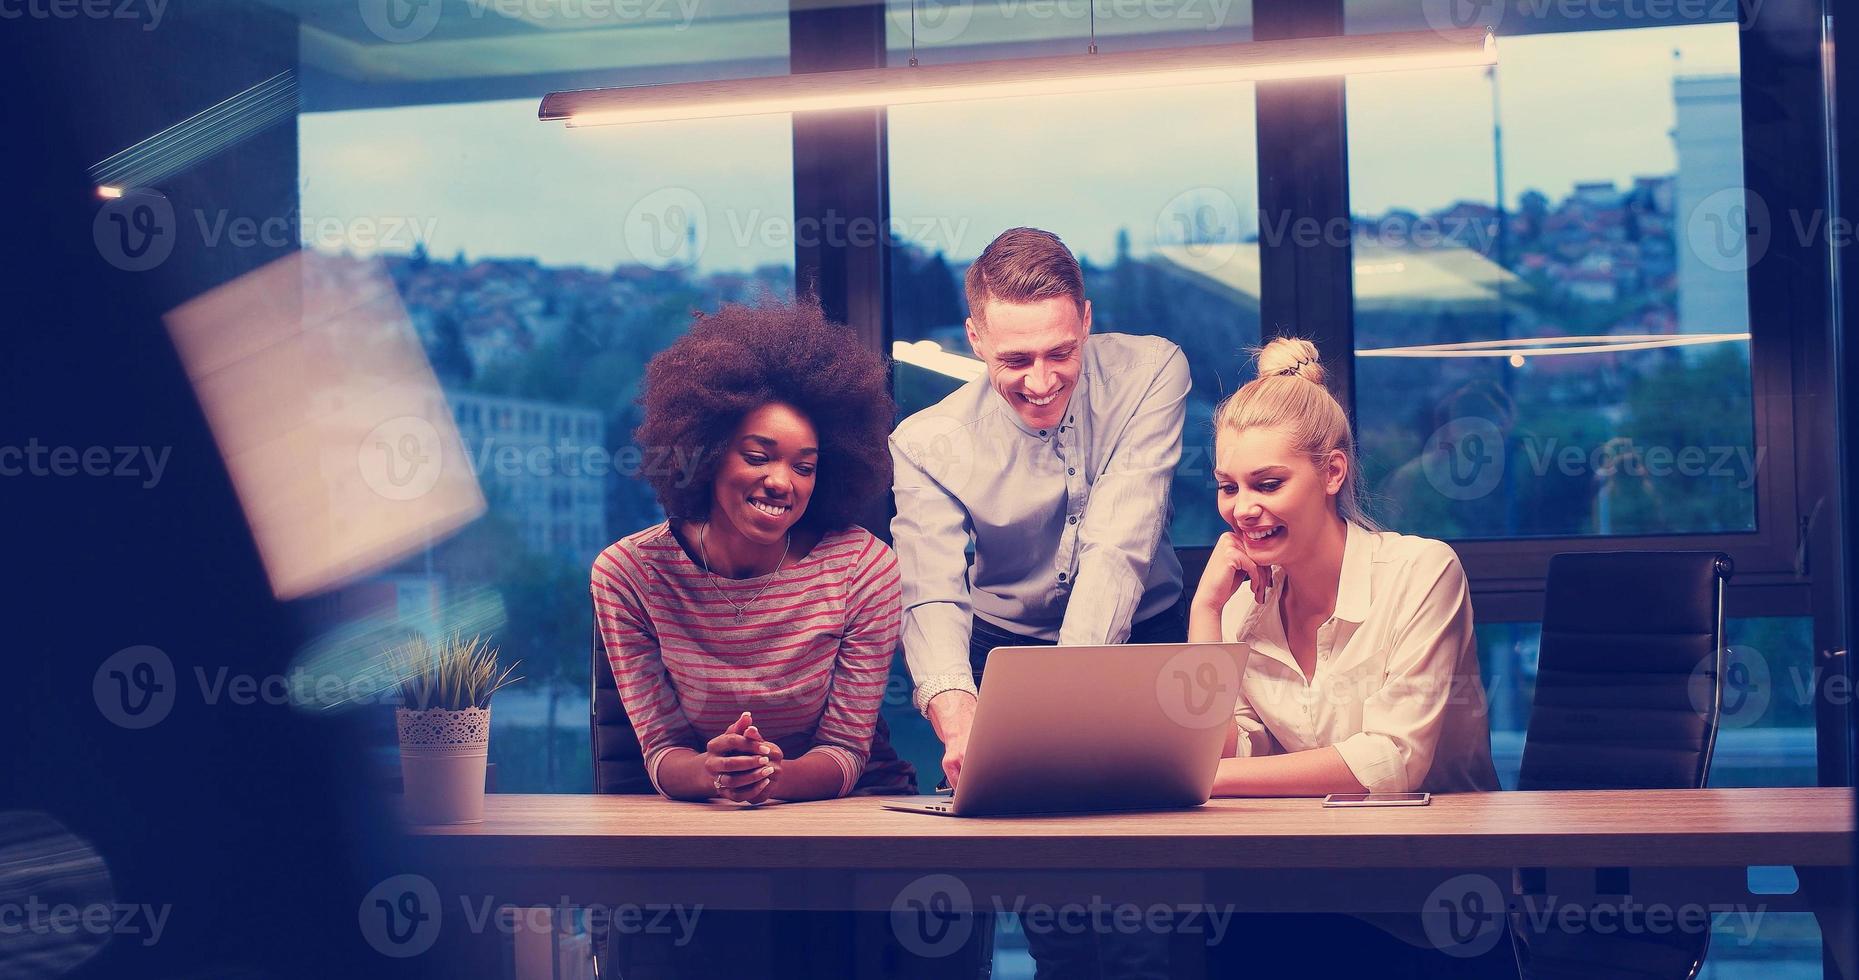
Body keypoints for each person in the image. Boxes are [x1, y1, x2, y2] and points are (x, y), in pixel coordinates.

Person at [593, 298, 983, 978]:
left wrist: (773, 780)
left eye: (804, 465)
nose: (783, 481)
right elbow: (657, 751)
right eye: (758, 455)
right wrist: (715, 773)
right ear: (709, 454)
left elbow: (844, 750)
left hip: (848, 817)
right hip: (704, 821)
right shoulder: (628, 574)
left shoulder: (861, 566)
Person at [891, 227, 1190, 979]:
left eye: (1060, 352)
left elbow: (1118, 548)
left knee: (1142, 917)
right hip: (1006, 653)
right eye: (1014, 359)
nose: (1039, 380)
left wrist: (1058, 712)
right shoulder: (926, 442)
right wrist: (958, 718)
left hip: (1144, 645)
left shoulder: (1152, 370)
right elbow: (930, 593)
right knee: (1052, 914)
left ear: (1086, 319)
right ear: (974, 337)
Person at [1191, 336, 1511, 978]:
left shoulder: (1422, 571)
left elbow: (1391, 761)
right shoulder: (1239, 603)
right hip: (1296, 895)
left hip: (1428, 906)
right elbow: (1219, 752)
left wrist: (1209, 782)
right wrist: (1205, 615)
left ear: (1333, 473)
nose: (1242, 509)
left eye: (1268, 483)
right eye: (1229, 486)